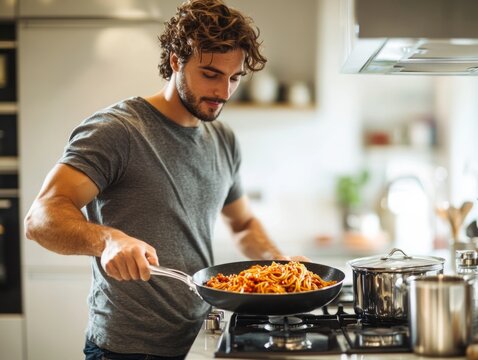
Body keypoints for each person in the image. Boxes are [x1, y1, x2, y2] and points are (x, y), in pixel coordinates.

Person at [24, 1, 306, 358]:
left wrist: (279, 264)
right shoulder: (118, 130)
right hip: (126, 349)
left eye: (234, 78)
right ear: (176, 60)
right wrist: (108, 240)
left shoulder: (223, 140)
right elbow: (40, 218)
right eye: (210, 73)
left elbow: (244, 224)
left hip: (199, 338)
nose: (223, 92)